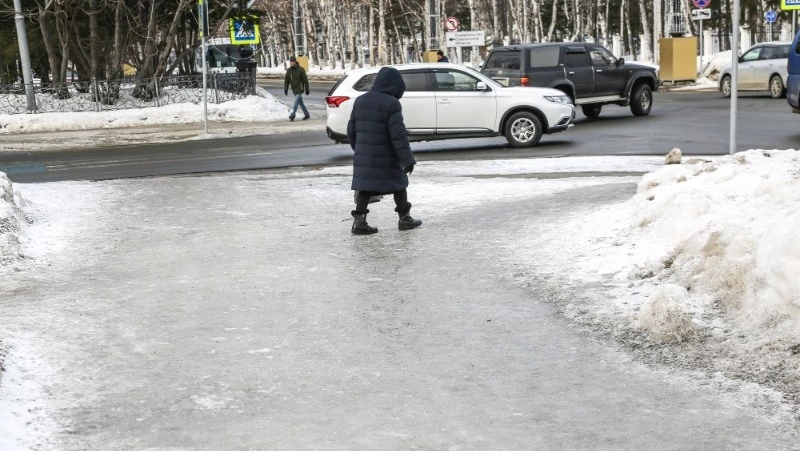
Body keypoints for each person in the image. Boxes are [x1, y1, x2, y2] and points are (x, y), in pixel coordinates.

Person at [347, 67, 422, 235]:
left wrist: (359, 149)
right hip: (387, 157)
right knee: (399, 184)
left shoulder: (360, 101)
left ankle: (359, 222)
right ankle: (405, 219)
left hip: (365, 157)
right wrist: (407, 160)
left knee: (365, 187)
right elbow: (398, 136)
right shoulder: (392, 104)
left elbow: (351, 130)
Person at [284, 56, 310, 121]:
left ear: (295, 61)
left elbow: (305, 80)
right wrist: (286, 89)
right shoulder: (289, 70)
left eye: (292, 61)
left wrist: (307, 89)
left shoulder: (301, 69)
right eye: (290, 61)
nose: (291, 63)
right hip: (294, 89)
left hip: (300, 88)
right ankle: (306, 114)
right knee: (300, 103)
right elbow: (286, 81)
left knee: (296, 101)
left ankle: (293, 114)